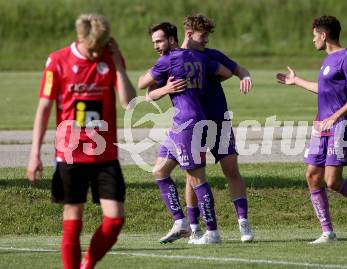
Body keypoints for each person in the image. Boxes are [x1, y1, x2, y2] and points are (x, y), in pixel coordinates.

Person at [26, 13, 136, 268]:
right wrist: (34, 154)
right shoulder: (57, 61)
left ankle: (88, 263)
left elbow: (128, 102)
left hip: (105, 155)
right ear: (80, 38)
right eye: (92, 48)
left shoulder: (110, 59)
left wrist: (118, 64)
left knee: (115, 219)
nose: (97, 54)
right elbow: (43, 109)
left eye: (102, 47)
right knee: (73, 215)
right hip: (70, 153)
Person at [276, 15, 347, 244]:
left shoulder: (346, 58)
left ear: (323, 35)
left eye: (314, 35)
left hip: (340, 126)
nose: (312, 40)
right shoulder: (329, 60)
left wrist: (336, 117)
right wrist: (296, 81)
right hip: (322, 125)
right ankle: (327, 232)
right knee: (312, 175)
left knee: (332, 181)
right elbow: (325, 89)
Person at [138, 22, 233, 244]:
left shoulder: (168, 60)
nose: (156, 46)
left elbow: (143, 84)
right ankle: (180, 222)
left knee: (196, 177)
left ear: (172, 39)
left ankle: (212, 232)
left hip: (188, 124)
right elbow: (225, 72)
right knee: (159, 171)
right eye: (153, 42)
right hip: (182, 124)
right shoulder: (198, 57)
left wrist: (164, 89)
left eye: (159, 41)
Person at [180, 14, 254, 243]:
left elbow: (239, 69)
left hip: (219, 121)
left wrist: (245, 76)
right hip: (193, 124)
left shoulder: (212, 55)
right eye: (203, 36)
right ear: (189, 34)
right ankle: (195, 227)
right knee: (193, 174)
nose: (206, 41)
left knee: (231, 168)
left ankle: (243, 223)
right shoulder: (176, 58)